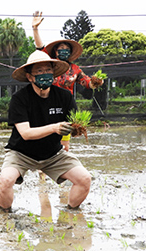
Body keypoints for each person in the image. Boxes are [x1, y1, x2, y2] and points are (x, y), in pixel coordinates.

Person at [0, 50, 91, 213]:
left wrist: (70, 135)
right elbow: (26, 133)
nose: (45, 74)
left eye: (48, 70)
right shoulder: (20, 99)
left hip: (53, 154)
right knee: (5, 181)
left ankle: (70, 213)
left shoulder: (64, 96)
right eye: (39, 71)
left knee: (84, 179)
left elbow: (72, 122)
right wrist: (54, 128)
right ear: (30, 76)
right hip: (21, 153)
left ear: (54, 74)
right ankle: (6, 215)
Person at [32, 11, 103, 151]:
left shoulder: (75, 69)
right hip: (47, 103)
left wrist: (96, 82)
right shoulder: (50, 64)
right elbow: (40, 48)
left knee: (64, 145)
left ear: (70, 53)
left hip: (65, 106)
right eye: (61, 49)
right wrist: (35, 28)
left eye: (66, 49)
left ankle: (61, 168)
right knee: (44, 138)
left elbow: (87, 82)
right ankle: (42, 169)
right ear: (55, 52)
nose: (63, 51)